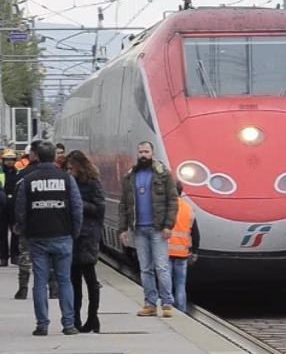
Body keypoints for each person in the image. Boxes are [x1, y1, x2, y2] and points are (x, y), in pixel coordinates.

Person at [15, 141, 83, 336]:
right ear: (55, 157)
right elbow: (77, 209)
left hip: (37, 238)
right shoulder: (66, 179)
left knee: (40, 281)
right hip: (63, 236)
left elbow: (20, 211)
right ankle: (69, 324)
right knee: (64, 281)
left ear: (35, 156)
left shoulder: (28, 180)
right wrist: (74, 232)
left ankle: (42, 325)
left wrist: (27, 232)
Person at [118, 141, 178, 318]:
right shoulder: (130, 177)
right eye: (140, 152)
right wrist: (123, 228)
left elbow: (173, 201)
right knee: (145, 268)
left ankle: (167, 302)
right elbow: (123, 204)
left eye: (146, 151)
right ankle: (150, 303)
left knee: (161, 266)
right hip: (139, 229)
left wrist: (168, 225)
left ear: (152, 153)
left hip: (158, 229)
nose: (143, 155)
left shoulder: (163, 175)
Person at [13, 140, 60, 300]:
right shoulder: (60, 176)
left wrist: (19, 223)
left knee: (25, 256)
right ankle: (53, 288)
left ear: (34, 154)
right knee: (51, 257)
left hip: (29, 225)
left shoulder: (23, 176)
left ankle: (23, 288)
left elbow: (18, 203)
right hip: (53, 224)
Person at [65, 150, 105, 333]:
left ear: (80, 167)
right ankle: (75, 318)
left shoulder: (92, 183)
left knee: (90, 279)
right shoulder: (68, 183)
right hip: (73, 235)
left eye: (71, 168)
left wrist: (78, 203)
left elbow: (99, 209)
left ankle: (92, 317)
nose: (69, 171)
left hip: (88, 236)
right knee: (74, 280)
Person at [168, 181, 200, 312]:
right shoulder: (188, 209)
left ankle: (169, 308)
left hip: (166, 252)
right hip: (182, 254)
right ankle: (181, 310)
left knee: (167, 284)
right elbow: (196, 233)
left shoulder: (165, 208)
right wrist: (195, 251)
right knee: (180, 285)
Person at [1, 149, 20, 265]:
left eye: (11, 159)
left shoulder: (18, 173)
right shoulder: (0, 173)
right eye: (7, 160)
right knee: (1, 233)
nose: (9, 162)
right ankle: (3, 257)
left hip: (14, 205)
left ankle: (15, 256)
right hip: (2, 206)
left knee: (15, 231)